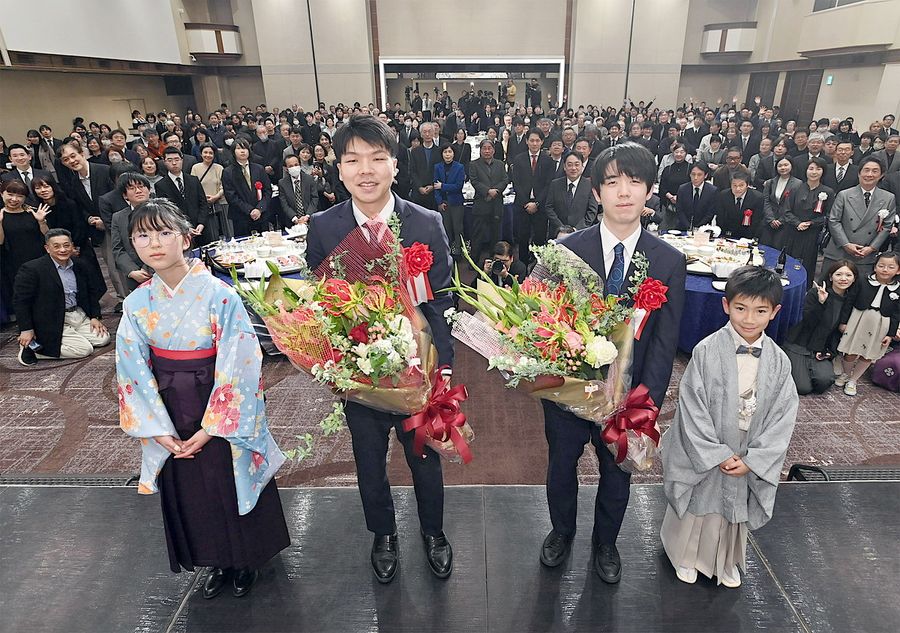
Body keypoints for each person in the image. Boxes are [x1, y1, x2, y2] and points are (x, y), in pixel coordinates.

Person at [305, 115, 456, 584]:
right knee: (369, 464)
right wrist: (331, 363)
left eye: (376, 158)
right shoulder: (324, 226)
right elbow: (321, 305)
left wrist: (444, 368)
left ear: (395, 165)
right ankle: (383, 534)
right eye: (353, 160)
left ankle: (434, 532)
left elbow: (442, 301)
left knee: (424, 460)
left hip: (417, 373)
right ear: (340, 168)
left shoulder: (425, 222)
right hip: (361, 375)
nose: (365, 170)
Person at [116, 199, 290, 599]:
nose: (154, 243)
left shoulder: (219, 294)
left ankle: (246, 559)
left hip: (218, 398)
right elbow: (130, 367)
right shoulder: (137, 302)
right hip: (169, 407)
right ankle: (214, 559)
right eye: (143, 235)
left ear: (186, 235)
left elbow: (241, 359)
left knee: (228, 479)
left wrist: (215, 425)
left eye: (164, 232)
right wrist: (156, 427)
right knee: (191, 487)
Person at [540, 142, 686, 583]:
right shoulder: (565, 250)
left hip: (628, 399)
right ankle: (561, 532)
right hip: (567, 393)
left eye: (635, 181)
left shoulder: (668, 259)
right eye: (612, 182)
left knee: (616, 473)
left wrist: (647, 403)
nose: (624, 192)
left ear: (649, 192)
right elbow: (541, 324)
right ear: (596, 192)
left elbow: (664, 342)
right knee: (560, 466)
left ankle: (606, 543)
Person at [661, 266, 798, 588]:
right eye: (741, 308)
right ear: (726, 306)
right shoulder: (706, 350)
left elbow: (783, 415)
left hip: (749, 445)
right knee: (700, 501)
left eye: (760, 310)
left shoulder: (780, 361)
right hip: (710, 443)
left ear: (775, 312)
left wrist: (754, 459)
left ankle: (725, 561)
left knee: (733, 506)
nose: (749, 318)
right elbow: (691, 406)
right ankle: (686, 555)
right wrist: (716, 452)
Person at [13, 228, 109, 365]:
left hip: (76, 314)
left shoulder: (79, 265)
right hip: (51, 318)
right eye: (56, 246)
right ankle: (33, 350)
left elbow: (90, 292)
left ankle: (69, 338)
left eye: (66, 245)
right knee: (84, 349)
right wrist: (26, 329)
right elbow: (21, 302)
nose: (62, 250)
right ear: (47, 248)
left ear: (72, 245)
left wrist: (95, 317)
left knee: (103, 339)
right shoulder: (32, 269)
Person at [783, 260, 858, 394]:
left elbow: (837, 333)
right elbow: (806, 322)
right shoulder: (816, 293)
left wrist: (830, 352)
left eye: (848, 275)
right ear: (831, 277)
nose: (843, 279)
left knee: (824, 382)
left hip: (821, 347)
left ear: (854, 279)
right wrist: (821, 303)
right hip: (800, 343)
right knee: (803, 388)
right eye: (838, 274)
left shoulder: (850, 301)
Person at [835, 251, 900, 396]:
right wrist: (843, 322)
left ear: (898, 270)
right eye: (881, 265)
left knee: (868, 354)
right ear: (875, 266)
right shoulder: (864, 281)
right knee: (851, 349)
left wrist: (890, 334)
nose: (885, 270)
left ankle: (853, 379)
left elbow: (897, 314)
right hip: (859, 318)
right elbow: (849, 301)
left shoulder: (898, 289)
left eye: (891, 267)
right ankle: (845, 373)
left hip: (881, 324)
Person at [821, 156, 896, 279]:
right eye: (866, 170)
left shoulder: (888, 198)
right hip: (839, 251)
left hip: (865, 255)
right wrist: (846, 244)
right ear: (859, 173)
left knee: (859, 293)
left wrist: (871, 248)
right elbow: (834, 220)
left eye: (875, 171)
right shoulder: (844, 195)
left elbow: (887, 226)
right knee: (828, 289)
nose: (869, 174)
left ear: (881, 175)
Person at [784, 156, 833, 284]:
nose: (814, 172)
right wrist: (797, 223)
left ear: (823, 172)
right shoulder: (795, 188)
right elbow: (787, 211)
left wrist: (811, 223)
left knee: (808, 264)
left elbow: (828, 215)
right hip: (793, 231)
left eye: (818, 169)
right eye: (811, 168)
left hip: (812, 234)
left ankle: (804, 289)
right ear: (806, 170)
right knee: (789, 261)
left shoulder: (828, 191)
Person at [511, 128, 554, 268]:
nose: (534, 143)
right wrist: (526, 203)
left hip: (540, 206)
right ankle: (523, 265)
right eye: (531, 140)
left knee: (540, 237)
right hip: (522, 205)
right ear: (526, 141)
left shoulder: (548, 161)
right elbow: (516, 183)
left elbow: (548, 185)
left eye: (537, 140)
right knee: (522, 237)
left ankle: (538, 266)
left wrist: (536, 203)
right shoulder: (519, 159)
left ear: (542, 142)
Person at [154, 147, 211, 246]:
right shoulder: (160, 185)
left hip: (201, 228)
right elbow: (166, 212)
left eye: (177, 159)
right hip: (178, 231)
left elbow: (203, 203)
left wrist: (201, 223)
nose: (174, 163)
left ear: (182, 160)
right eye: (170, 160)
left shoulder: (193, 180)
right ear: (164, 162)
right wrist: (185, 227)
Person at [111, 173, 154, 294]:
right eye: (132, 188)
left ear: (148, 190)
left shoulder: (163, 210)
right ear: (125, 195)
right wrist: (132, 271)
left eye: (141, 186)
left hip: (164, 269)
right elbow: (118, 249)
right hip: (136, 276)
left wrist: (148, 268)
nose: (138, 191)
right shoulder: (118, 217)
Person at [468, 138, 509, 264]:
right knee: (477, 235)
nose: (487, 151)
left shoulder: (500, 164)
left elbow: (505, 180)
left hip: (496, 204)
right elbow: (474, 181)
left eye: (489, 148)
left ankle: (495, 260)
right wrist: (487, 191)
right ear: (480, 150)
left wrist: (496, 191)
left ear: (494, 150)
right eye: (484, 148)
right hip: (481, 204)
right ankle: (474, 261)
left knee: (496, 235)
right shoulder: (473, 164)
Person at [222, 137, 272, 236]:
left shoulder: (259, 168)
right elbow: (231, 196)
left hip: (261, 215)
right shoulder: (228, 172)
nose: (242, 151)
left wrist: (259, 209)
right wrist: (250, 210)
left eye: (245, 148)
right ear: (233, 152)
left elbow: (267, 190)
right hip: (241, 216)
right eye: (239, 148)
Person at [544, 151, 598, 234]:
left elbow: (592, 211)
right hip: (557, 232)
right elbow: (549, 207)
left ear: (582, 166)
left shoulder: (589, 185)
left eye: (577, 164)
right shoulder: (555, 184)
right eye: (569, 165)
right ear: (564, 167)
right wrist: (561, 228)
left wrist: (576, 229)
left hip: (581, 233)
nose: (573, 168)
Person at [761, 156, 802, 249]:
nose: (783, 168)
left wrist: (781, 220)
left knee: (778, 250)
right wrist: (771, 219)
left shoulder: (797, 184)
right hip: (769, 221)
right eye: (780, 166)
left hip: (785, 223)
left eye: (786, 165)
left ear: (791, 166)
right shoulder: (770, 182)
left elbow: (795, 205)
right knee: (764, 248)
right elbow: (766, 201)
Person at [433, 143, 466, 257]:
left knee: (458, 228)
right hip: (444, 203)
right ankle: (447, 251)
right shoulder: (437, 167)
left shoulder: (459, 167)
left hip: (456, 202)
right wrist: (439, 202)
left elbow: (458, 186)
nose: (447, 154)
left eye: (450, 152)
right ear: (442, 154)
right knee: (446, 228)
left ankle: (458, 251)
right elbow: (435, 186)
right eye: (445, 152)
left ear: (453, 154)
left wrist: (443, 186)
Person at [191, 142, 228, 240]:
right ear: (201, 153)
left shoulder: (219, 168)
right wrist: (204, 199)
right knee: (212, 235)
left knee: (227, 232)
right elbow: (193, 186)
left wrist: (216, 196)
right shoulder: (195, 168)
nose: (208, 155)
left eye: (211, 153)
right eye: (205, 152)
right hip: (204, 205)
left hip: (220, 203)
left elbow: (224, 185)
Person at [715, 169, 764, 240]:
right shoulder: (723, 195)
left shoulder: (757, 198)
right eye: (734, 185)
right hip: (727, 234)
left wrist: (749, 238)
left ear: (747, 185)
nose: (737, 189)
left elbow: (757, 221)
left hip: (748, 236)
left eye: (741, 185)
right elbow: (720, 218)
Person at [277, 154, 318, 227]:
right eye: (291, 166)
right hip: (292, 221)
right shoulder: (282, 183)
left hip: (310, 218)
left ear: (300, 165)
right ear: (286, 168)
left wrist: (307, 216)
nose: (294, 167)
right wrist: (295, 218)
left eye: (296, 165)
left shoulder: (309, 179)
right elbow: (284, 204)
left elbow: (314, 198)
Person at [675, 161, 718, 231]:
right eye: (693, 174)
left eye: (699, 175)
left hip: (703, 229)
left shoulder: (712, 191)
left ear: (706, 175)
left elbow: (710, 213)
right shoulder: (682, 189)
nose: (695, 178)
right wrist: (688, 226)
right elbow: (679, 210)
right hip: (683, 228)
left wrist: (698, 228)